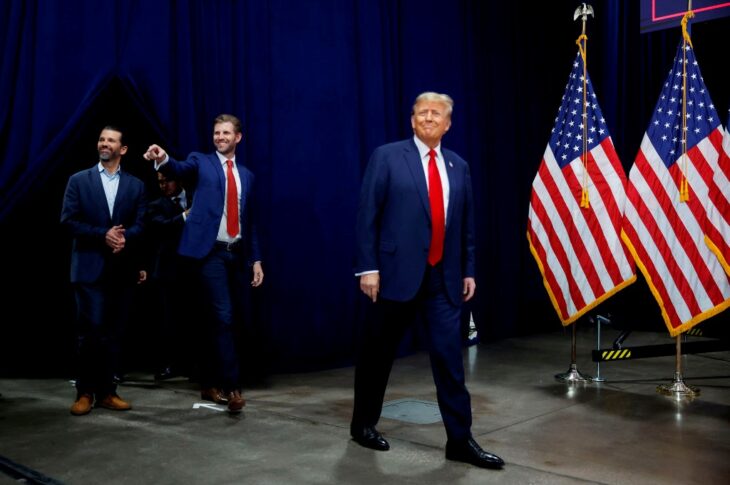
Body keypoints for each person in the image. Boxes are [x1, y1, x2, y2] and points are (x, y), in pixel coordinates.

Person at [351, 92, 504, 469]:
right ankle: (363, 425)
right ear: (412, 120)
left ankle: (460, 440)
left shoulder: (458, 165)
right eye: (423, 112)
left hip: (443, 279)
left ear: (448, 124)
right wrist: (368, 267)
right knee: (377, 356)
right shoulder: (387, 156)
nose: (429, 118)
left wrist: (468, 269)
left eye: (437, 113)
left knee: (450, 361)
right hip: (393, 276)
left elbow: (465, 225)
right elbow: (367, 214)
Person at [143, 114, 263, 414]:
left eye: (226, 133)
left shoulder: (247, 175)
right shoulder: (201, 161)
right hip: (210, 254)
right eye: (216, 133)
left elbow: (250, 222)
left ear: (238, 137)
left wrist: (256, 260)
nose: (220, 137)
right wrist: (162, 158)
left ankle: (209, 382)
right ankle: (232, 388)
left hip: (237, 254)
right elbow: (178, 167)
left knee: (222, 321)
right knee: (223, 316)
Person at [61, 125, 147, 416]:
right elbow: (68, 221)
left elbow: (141, 224)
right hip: (89, 269)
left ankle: (108, 392)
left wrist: (125, 238)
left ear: (123, 149)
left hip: (121, 270)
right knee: (91, 331)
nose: (104, 143)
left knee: (114, 333)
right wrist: (103, 235)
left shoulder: (136, 185)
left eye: (111, 140)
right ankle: (85, 392)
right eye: (101, 139)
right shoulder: (78, 180)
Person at [146, 165, 195, 381]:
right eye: (160, 182)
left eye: (167, 180)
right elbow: (161, 227)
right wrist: (185, 216)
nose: (163, 185)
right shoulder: (155, 205)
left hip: (193, 269)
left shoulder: (195, 198)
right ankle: (169, 364)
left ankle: (191, 364)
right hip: (168, 271)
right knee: (168, 319)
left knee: (192, 319)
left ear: (179, 181)